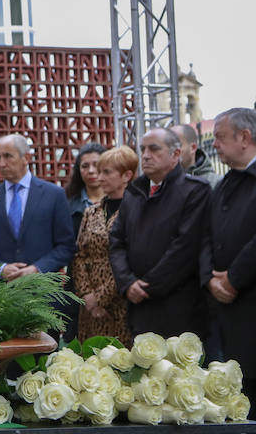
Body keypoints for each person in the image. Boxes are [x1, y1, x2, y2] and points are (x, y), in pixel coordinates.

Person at [201, 108, 256, 433]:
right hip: (230, 318)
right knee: (249, 410)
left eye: (219, 137)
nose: (214, 144)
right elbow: (204, 234)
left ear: (244, 138)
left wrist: (233, 279)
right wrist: (209, 278)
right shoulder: (225, 183)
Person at [109, 128, 210, 339]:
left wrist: (146, 287)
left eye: (154, 149)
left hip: (179, 309)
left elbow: (184, 248)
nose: (145, 155)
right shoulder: (135, 192)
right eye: (143, 149)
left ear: (176, 154)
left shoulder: (194, 191)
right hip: (138, 308)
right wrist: (127, 282)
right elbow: (116, 241)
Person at [0, 134, 76, 281]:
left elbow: (66, 246)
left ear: (26, 157)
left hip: (44, 293)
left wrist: (37, 269)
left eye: (8, 156)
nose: (1, 164)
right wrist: (0, 269)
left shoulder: (54, 195)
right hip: (0, 295)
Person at [72, 146, 136, 345]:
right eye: (99, 172)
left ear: (126, 176)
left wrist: (101, 298)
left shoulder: (137, 210)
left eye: (106, 172)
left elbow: (134, 260)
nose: (99, 177)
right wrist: (87, 295)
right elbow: (79, 255)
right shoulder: (92, 212)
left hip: (121, 303)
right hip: (89, 307)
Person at [62, 142, 107, 342]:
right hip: (78, 287)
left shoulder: (123, 202)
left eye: (96, 165)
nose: (90, 171)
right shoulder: (67, 204)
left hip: (115, 286)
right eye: (84, 166)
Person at [170, 123, 220, 188]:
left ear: (193, 148)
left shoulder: (216, 184)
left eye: (176, 145)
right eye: (167, 146)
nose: (171, 151)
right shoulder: (162, 183)